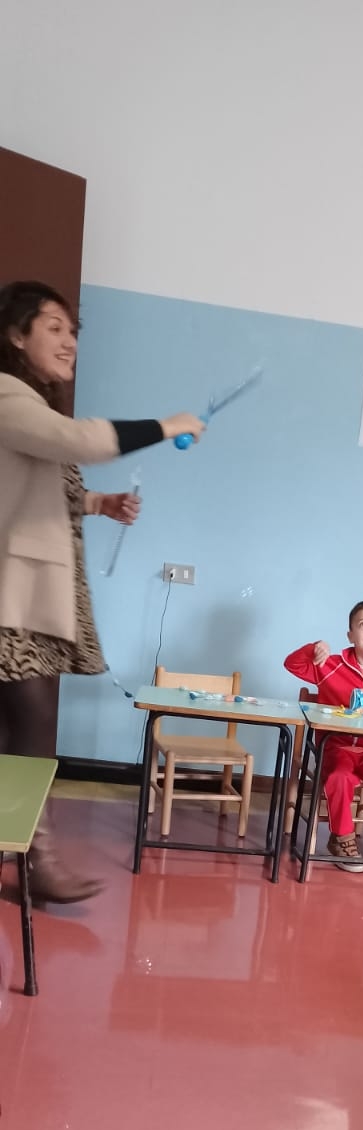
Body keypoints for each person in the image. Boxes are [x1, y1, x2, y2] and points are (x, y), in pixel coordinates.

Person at [0, 280, 206, 902]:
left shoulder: (27, 404)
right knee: (33, 724)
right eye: (53, 327)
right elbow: (80, 441)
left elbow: (35, 488)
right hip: (12, 601)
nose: (69, 341)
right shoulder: (6, 393)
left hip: (25, 598)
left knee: (20, 727)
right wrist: (168, 424)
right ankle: (34, 858)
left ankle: (21, 852)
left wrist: (97, 503)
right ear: (15, 335)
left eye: (73, 331)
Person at [284, 600, 363, 872]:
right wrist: (314, 649)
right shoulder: (331, 665)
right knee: (340, 779)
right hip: (335, 748)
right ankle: (341, 839)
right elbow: (292, 664)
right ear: (350, 635)